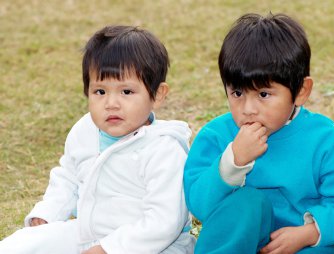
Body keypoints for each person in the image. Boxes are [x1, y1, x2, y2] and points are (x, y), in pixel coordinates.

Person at [0, 25, 195, 254]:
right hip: (88, 233)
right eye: (100, 92)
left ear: (158, 95)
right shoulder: (85, 130)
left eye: (126, 92)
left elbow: (164, 222)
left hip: (153, 246)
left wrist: (109, 248)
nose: (111, 103)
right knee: (22, 244)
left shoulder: (164, 149)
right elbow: (68, 177)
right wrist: (47, 214)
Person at [184, 13, 334, 254]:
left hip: (300, 245)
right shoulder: (216, 135)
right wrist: (232, 162)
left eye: (263, 95)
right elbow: (199, 206)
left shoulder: (324, 138)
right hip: (235, 245)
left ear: (301, 91)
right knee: (247, 202)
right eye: (237, 93)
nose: (248, 109)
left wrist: (307, 234)